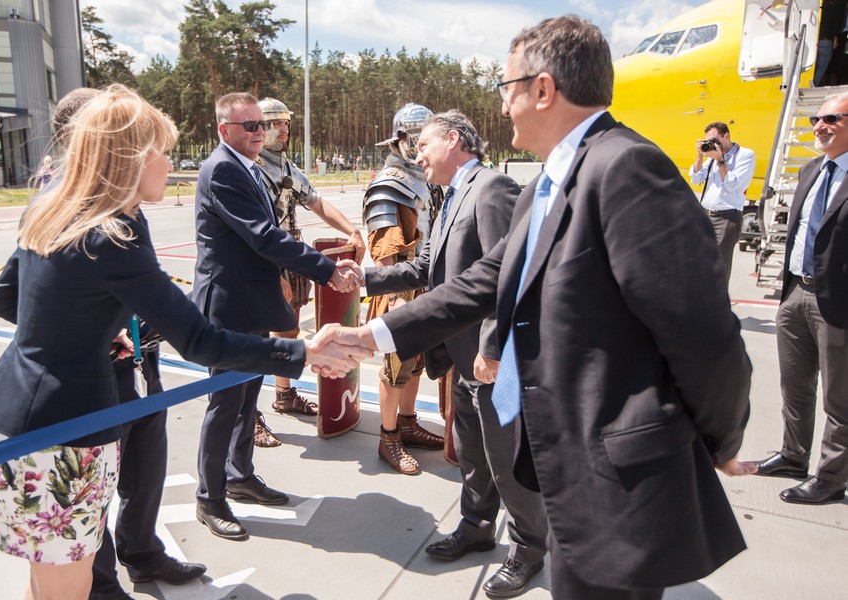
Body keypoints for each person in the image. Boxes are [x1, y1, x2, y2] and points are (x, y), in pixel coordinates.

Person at [320, 17, 757, 599]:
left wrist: (719, 441)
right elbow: (482, 281)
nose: (503, 109)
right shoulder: (545, 183)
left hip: (617, 482)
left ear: (543, 89)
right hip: (570, 468)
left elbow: (705, 336)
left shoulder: (627, 166)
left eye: (507, 90)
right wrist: (369, 336)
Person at [0, 84, 365, 600]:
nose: (171, 161)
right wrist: (304, 353)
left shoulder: (59, 212)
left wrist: (90, 332)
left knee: (47, 585)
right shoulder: (114, 234)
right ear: (130, 158)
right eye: (160, 148)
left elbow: (9, 300)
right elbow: (199, 339)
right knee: (66, 588)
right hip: (62, 440)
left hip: (8, 422)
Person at [351, 110, 548, 598]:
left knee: (507, 460)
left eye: (423, 144)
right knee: (475, 456)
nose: (416, 154)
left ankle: (529, 548)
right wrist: (366, 277)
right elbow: (425, 266)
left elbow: (508, 277)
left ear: (454, 140)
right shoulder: (450, 195)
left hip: (491, 360)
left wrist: (492, 348)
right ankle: (477, 528)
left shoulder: (492, 189)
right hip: (462, 359)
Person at [47, 86, 208, 600]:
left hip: (143, 356)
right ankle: (99, 584)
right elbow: (18, 299)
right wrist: (96, 336)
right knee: (93, 487)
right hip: (100, 371)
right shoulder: (63, 200)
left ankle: (141, 551)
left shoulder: (123, 196)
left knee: (145, 463)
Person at [191, 92, 361, 541]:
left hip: (248, 303)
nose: (259, 132)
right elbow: (264, 237)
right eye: (249, 126)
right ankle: (210, 497)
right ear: (223, 130)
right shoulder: (224, 169)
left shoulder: (248, 167)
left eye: (261, 125)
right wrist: (326, 270)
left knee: (247, 400)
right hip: (227, 306)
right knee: (226, 403)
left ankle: (239, 475)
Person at [251, 97, 367, 448]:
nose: (284, 129)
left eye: (285, 123)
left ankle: (284, 395)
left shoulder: (284, 166)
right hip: (263, 260)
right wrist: (273, 273)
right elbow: (257, 231)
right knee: (255, 336)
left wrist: (352, 230)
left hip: (290, 254)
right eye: (276, 123)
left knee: (287, 326)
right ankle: (248, 414)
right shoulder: (252, 167)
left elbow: (317, 202)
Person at [751, 92, 848, 505]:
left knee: (840, 399)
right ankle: (794, 455)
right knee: (795, 385)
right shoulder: (811, 170)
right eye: (815, 120)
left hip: (838, 304)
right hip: (796, 294)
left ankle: (830, 477)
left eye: (831, 119)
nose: (819, 126)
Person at [362, 103, 445, 475]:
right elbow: (384, 250)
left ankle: (409, 423)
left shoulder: (425, 180)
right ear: (401, 140)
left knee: (415, 363)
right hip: (400, 291)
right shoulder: (388, 185)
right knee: (395, 367)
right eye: (418, 138)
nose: (423, 146)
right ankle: (389, 436)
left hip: (423, 287)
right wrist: (396, 300)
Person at [688, 121, 756, 284]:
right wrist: (700, 156)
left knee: (719, 266)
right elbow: (696, 178)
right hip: (706, 215)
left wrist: (720, 160)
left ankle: (718, 305)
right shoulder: (712, 156)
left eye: (714, 140)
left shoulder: (745, 155)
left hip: (726, 218)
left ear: (726, 136)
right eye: (708, 141)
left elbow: (733, 185)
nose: (711, 144)